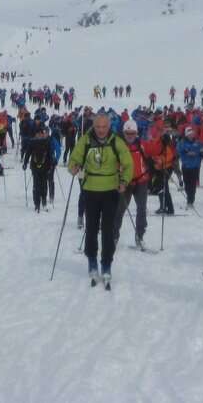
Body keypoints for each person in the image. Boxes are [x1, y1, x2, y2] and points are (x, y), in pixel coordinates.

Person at [68, 113, 133, 285]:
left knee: (108, 230)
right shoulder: (86, 140)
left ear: (109, 126)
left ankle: (106, 263)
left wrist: (124, 181)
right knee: (91, 228)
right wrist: (73, 167)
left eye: (104, 127)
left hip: (111, 190)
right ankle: (92, 260)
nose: (101, 130)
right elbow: (74, 159)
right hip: (90, 190)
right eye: (98, 127)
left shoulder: (116, 141)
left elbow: (128, 164)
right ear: (93, 126)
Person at [116, 120, 151, 249]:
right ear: (123, 133)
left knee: (142, 209)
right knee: (119, 210)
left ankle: (140, 236)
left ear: (136, 133)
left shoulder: (142, 144)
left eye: (133, 133)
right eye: (127, 133)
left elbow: (152, 155)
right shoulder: (119, 146)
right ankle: (114, 236)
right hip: (125, 182)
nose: (130, 136)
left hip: (141, 180)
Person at [23, 124, 56, 212]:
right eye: (37, 133)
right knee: (36, 185)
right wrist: (25, 163)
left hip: (45, 167)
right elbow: (28, 153)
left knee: (44, 185)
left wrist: (52, 161)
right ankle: (37, 203)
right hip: (35, 167)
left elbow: (50, 153)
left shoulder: (47, 142)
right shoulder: (32, 142)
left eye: (41, 133)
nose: (39, 135)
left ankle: (44, 202)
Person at [177, 126, 203, 208]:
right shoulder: (182, 142)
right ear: (186, 134)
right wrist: (187, 152)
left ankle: (190, 200)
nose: (191, 135)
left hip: (195, 166)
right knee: (187, 183)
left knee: (193, 184)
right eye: (189, 134)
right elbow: (179, 150)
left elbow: (202, 150)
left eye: (192, 133)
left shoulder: (197, 142)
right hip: (186, 166)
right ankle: (189, 197)